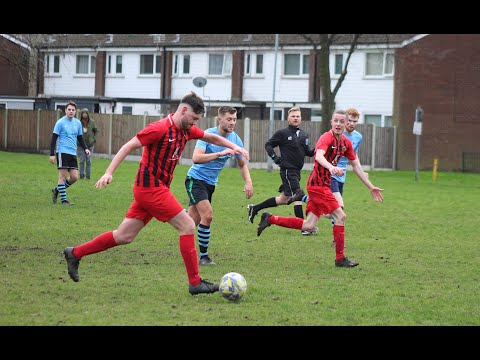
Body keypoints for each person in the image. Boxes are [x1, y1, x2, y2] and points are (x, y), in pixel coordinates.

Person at [62, 92, 250, 296]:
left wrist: (234, 146)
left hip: (154, 188)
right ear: (184, 110)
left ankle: (75, 253)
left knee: (124, 235)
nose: (195, 123)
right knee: (187, 225)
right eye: (194, 118)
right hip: (150, 187)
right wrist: (108, 172)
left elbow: (210, 136)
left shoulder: (186, 130)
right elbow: (128, 146)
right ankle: (195, 283)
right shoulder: (159, 128)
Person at [256, 110, 384, 268]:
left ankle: (270, 218)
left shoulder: (346, 143)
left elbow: (356, 165)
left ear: (345, 124)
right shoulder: (326, 137)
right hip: (318, 185)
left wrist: (371, 187)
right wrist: (331, 167)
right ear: (331, 122)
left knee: (309, 225)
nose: (338, 124)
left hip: (322, 184)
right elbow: (319, 156)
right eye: (336, 120)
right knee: (340, 216)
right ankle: (340, 259)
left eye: (341, 121)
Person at [185, 106, 253, 266]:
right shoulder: (208, 135)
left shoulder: (235, 139)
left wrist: (248, 181)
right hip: (195, 180)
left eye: (235, 119)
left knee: (189, 223)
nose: (232, 122)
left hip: (210, 184)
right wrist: (219, 154)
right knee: (207, 215)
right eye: (229, 119)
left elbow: (242, 164)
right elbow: (196, 158)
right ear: (219, 119)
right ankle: (204, 257)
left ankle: (176, 214)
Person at [247, 107, 315, 235]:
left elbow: (308, 152)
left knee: (283, 199)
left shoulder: (304, 135)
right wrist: (275, 158)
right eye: (293, 116)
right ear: (288, 118)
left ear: (301, 118)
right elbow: (268, 144)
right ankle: (304, 227)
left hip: (297, 171)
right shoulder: (282, 133)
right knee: (298, 196)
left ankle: (254, 208)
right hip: (288, 170)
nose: (296, 118)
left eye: (298, 116)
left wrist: (319, 149)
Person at [328, 107, 366, 246]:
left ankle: (304, 198)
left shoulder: (358, 137)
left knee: (333, 209)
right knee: (339, 207)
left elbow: (354, 157)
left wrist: (361, 171)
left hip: (342, 176)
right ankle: (336, 239)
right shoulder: (336, 134)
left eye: (354, 121)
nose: (351, 123)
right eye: (349, 120)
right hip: (330, 174)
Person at [50, 100, 90, 205]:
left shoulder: (77, 123)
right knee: (62, 177)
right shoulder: (60, 122)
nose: (71, 111)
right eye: (69, 109)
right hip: (62, 152)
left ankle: (57, 190)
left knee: (74, 177)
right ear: (65, 110)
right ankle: (64, 201)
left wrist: (86, 148)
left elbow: (80, 138)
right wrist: (51, 154)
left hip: (72, 153)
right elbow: (54, 139)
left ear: (75, 111)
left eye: (73, 110)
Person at [76, 108, 98, 180]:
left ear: (88, 114)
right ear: (81, 114)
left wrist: (94, 139)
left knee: (88, 161)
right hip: (80, 145)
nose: (84, 114)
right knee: (82, 160)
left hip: (90, 145)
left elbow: (96, 131)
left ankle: (88, 177)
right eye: (83, 113)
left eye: (86, 113)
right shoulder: (78, 122)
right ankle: (81, 176)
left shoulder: (92, 122)